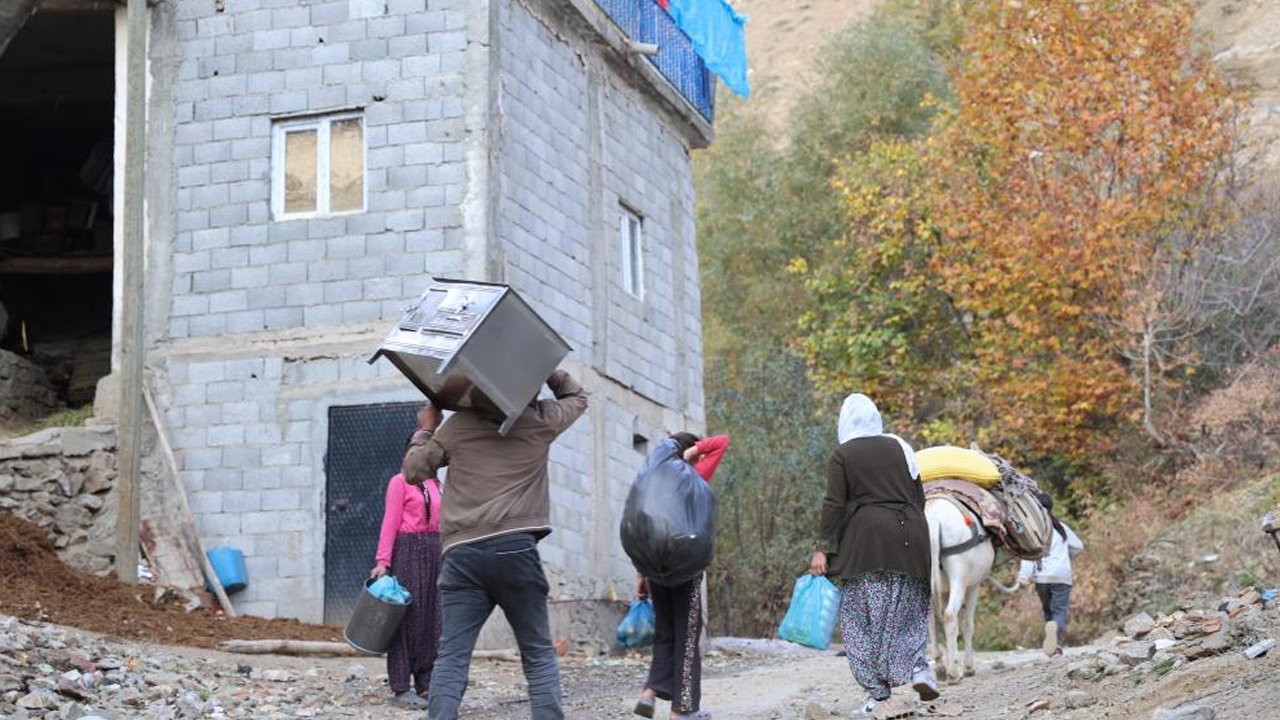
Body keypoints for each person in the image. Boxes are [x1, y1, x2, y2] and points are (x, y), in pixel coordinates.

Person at [403, 370, 589, 720]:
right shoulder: (538, 420)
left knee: (452, 656)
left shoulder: (457, 426)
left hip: (462, 554)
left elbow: (413, 471)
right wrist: (546, 368)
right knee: (536, 653)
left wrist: (427, 426)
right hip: (516, 550)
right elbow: (578, 398)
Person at [809, 394, 938, 718]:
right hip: (913, 536)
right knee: (906, 612)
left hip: (868, 543)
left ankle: (878, 694)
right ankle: (919, 668)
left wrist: (823, 546)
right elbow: (919, 497)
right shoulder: (901, 446)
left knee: (860, 620)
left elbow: (834, 504)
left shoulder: (844, 454)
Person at [633, 432, 730, 720]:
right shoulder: (692, 476)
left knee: (665, 634)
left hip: (654, 565)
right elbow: (722, 441)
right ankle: (681, 711)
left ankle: (648, 696)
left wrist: (641, 574)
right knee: (687, 636)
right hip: (683, 566)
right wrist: (691, 455)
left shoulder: (653, 483)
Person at [369, 408, 445, 709]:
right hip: (408, 550)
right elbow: (390, 522)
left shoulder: (438, 485)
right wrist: (382, 561)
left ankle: (426, 684)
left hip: (435, 550)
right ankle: (401, 687)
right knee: (407, 617)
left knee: (433, 617)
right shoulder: (399, 481)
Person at [1016, 492, 1084, 657]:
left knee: (1048, 611)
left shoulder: (1034, 530)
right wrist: (1066, 557)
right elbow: (1078, 546)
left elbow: (1029, 555)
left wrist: (1024, 575)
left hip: (1042, 577)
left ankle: (1052, 644)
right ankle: (1056, 645)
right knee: (1059, 611)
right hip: (1061, 576)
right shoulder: (1061, 527)